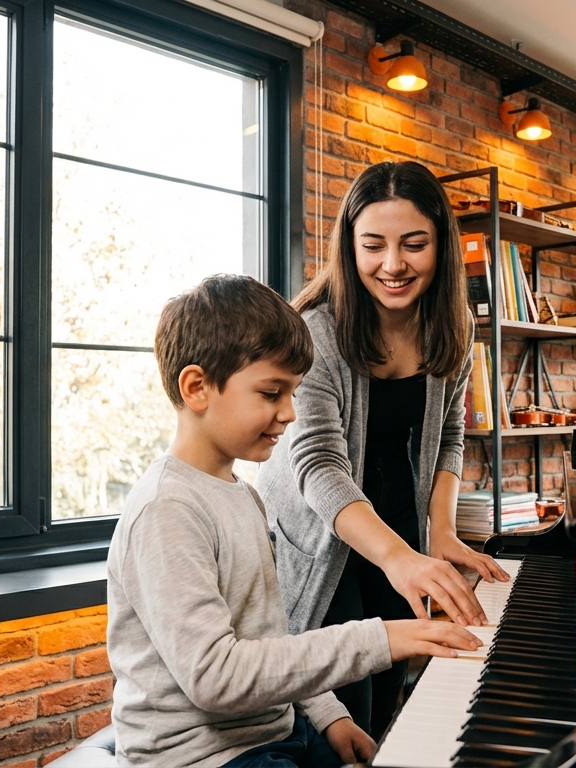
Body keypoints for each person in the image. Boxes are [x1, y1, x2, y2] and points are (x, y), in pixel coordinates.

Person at [106, 274, 480, 768]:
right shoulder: (166, 511)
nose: (290, 412)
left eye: (294, 393)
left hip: (273, 733)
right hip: (206, 757)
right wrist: (381, 639)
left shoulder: (244, 495)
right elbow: (216, 676)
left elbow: (271, 639)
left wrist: (329, 715)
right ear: (197, 387)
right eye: (271, 392)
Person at [256, 162, 510, 738]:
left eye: (414, 244)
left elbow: (449, 436)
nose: (393, 265)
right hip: (329, 542)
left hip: (398, 528)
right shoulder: (316, 331)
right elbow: (319, 466)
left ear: (441, 245)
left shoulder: (454, 326)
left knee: (391, 705)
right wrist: (399, 558)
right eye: (373, 245)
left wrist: (439, 533)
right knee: (342, 713)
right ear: (349, 247)